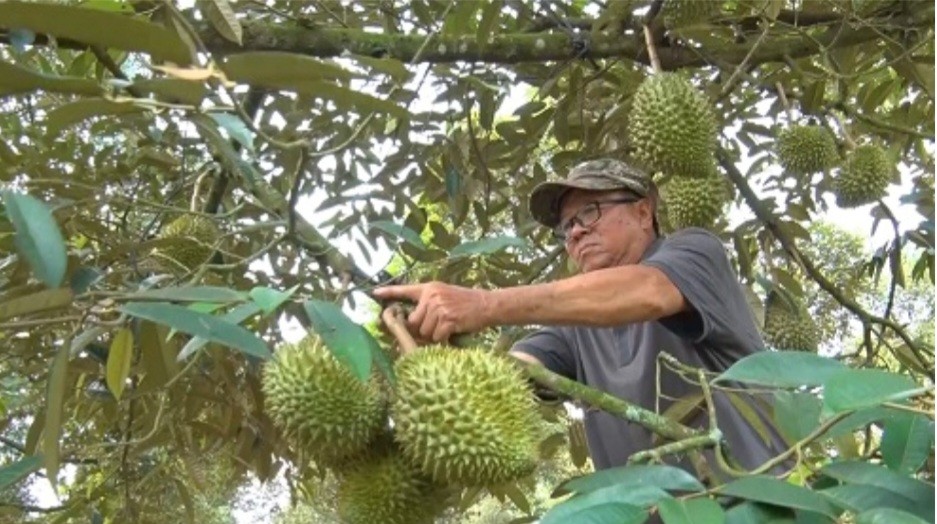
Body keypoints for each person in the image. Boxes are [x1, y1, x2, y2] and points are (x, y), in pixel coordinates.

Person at [373, 158, 787, 477]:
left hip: (752, 503)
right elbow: (514, 372)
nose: (573, 233)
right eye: (567, 226)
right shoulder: (573, 329)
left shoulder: (693, 254)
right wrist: (431, 349)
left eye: (589, 212)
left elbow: (648, 291)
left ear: (643, 213)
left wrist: (481, 305)